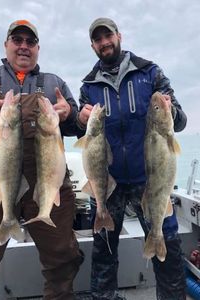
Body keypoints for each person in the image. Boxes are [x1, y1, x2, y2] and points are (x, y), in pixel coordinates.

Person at [0, 19, 83, 300]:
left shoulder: (55, 83)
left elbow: (78, 126)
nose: (24, 46)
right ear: (6, 45)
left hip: (47, 180)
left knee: (63, 258)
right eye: (18, 40)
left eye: (30, 42)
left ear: (38, 48)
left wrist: (69, 115)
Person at [77, 17, 187, 300]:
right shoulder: (88, 85)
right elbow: (82, 127)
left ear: (119, 36)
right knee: (103, 250)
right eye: (98, 39)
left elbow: (181, 120)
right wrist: (80, 118)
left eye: (108, 36)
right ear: (92, 45)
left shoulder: (150, 73)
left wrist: (169, 110)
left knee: (168, 246)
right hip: (107, 180)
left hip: (149, 178)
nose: (104, 42)